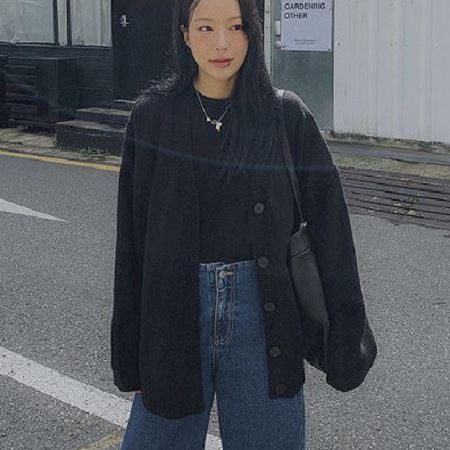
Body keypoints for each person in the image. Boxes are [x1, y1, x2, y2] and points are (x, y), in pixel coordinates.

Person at [111, 0, 377, 448]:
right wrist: (130, 355)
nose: (222, 43)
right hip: (172, 314)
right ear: (183, 33)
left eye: (236, 26)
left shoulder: (285, 116)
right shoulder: (152, 118)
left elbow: (333, 233)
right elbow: (132, 242)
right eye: (206, 26)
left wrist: (348, 331)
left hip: (265, 316)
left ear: (252, 33)